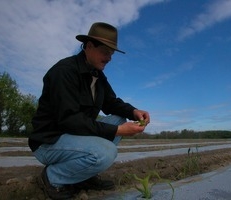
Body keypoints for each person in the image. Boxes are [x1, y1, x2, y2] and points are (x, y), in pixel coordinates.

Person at [28, 22, 150, 199]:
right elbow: (69, 120)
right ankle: (52, 177)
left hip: (75, 135)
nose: (109, 58)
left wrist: (134, 112)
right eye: (105, 52)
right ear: (89, 46)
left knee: (119, 118)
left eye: (112, 53)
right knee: (107, 152)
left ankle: (84, 175)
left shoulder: (98, 76)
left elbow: (111, 103)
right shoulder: (64, 72)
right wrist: (117, 131)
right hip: (50, 141)